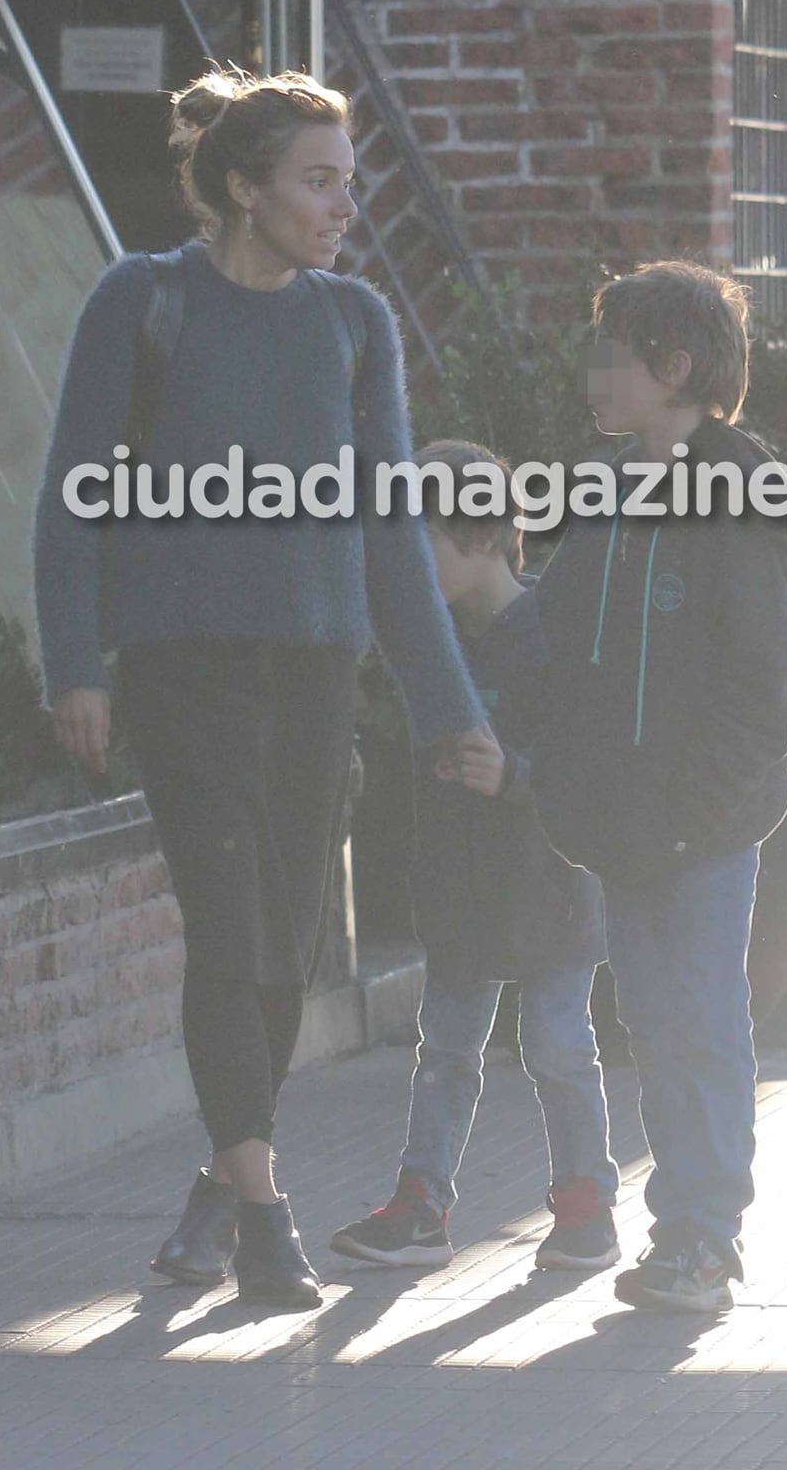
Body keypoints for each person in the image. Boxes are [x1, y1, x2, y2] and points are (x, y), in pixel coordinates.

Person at [33, 68, 486, 1310]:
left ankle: (217, 1184)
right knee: (228, 931)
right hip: (182, 672)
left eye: (351, 183)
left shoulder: (353, 325)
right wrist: (74, 662)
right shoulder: (144, 301)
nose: (347, 206)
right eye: (321, 182)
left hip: (314, 674)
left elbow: (395, 530)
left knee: (287, 949)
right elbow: (72, 491)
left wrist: (449, 711)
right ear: (245, 187)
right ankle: (265, 1215)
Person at [531, 262, 787, 1315]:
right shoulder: (603, 489)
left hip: (696, 830)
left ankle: (702, 1239)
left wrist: (690, 813)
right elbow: (550, 634)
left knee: (695, 1018)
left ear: (674, 366)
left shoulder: (737, 496)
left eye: (613, 350)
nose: (594, 372)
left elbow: (761, 679)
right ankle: (682, 1234)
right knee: (653, 1021)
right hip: (620, 824)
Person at [330, 441, 619, 1272]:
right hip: (464, 889)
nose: (409, 569)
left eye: (423, 542)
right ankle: (422, 1205)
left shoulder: (553, 634)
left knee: (558, 1046)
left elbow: (586, 766)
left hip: (552, 885)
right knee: (446, 1049)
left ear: (486, 534)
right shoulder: (431, 647)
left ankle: (585, 1205)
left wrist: (514, 778)